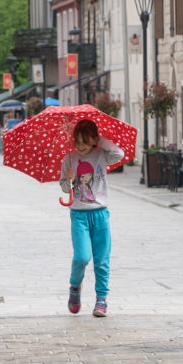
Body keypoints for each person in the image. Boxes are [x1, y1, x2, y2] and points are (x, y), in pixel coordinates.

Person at [59, 119, 124, 318]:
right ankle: (75, 287)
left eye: (85, 141)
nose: (81, 146)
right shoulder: (68, 159)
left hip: (100, 214)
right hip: (78, 215)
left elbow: (119, 154)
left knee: (102, 260)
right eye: (77, 142)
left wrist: (99, 140)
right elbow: (63, 186)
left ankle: (101, 300)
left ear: (94, 140)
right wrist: (68, 180)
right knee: (82, 256)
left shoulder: (102, 155)